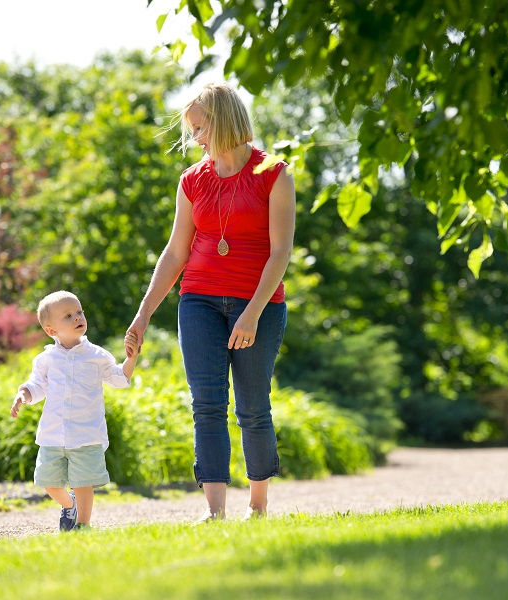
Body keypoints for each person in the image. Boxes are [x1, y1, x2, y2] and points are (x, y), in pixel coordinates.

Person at [127, 82, 296, 521]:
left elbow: (280, 252)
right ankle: (215, 511)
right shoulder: (191, 180)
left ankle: (258, 507)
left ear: (223, 122)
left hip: (257, 304)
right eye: (193, 131)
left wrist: (252, 314)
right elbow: (175, 253)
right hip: (198, 300)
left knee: (253, 405)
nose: (197, 139)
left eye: (201, 128)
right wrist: (144, 314)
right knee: (206, 404)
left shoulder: (273, 173)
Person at [12, 290, 139, 531]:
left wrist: (131, 358)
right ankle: (69, 505)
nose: (78, 318)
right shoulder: (46, 359)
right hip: (53, 434)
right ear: (51, 330)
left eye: (79, 312)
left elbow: (119, 378)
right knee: (48, 482)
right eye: (68, 315)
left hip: (86, 434)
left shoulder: (97, 356)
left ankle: (83, 524)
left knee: (84, 483)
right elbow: (37, 385)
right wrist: (24, 394)